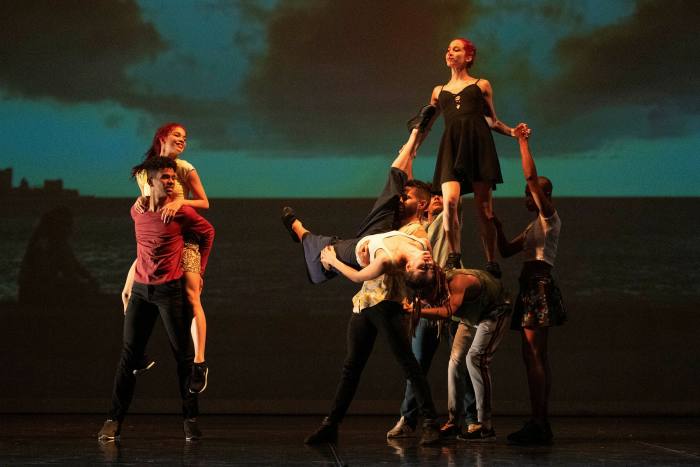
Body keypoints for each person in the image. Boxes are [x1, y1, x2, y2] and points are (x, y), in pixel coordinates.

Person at [98, 157, 214, 442]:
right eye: (165, 177)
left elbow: (208, 233)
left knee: (182, 357)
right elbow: (143, 249)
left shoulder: (180, 212)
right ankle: (113, 420)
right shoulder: (136, 210)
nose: (171, 181)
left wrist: (199, 270)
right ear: (150, 182)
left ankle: (190, 419)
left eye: (173, 177)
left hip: (169, 291)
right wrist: (129, 284)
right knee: (128, 357)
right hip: (141, 291)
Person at [421, 38, 529, 273]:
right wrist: (412, 148)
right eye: (448, 49)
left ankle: (491, 261)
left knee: (485, 210)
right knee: (449, 201)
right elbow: (426, 125)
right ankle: (453, 254)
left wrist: (513, 132)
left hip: (479, 145)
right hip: (451, 147)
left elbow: (492, 120)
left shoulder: (482, 85)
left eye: (456, 49)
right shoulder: (439, 92)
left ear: (468, 57)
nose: (450, 52)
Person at [282, 125, 433, 285]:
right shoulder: (424, 244)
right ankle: (415, 131)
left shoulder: (387, 260)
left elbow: (357, 277)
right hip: (378, 232)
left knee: (324, 251)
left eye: (423, 268)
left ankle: (298, 230)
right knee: (394, 183)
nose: (429, 264)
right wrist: (413, 145)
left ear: (409, 267)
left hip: (359, 250)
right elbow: (406, 182)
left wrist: (333, 261)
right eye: (431, 268)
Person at [123, 123, 211, 393]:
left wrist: (179, 203)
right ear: (163, 137)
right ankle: (138, 355)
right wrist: (141, 199)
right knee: (127, 293)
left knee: (191, 296)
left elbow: (204, 203)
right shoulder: (145, 170)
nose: (182, 140)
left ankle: (199, 363)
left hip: (184, 237)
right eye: (177, 136)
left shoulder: (184, 168)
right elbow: (149, 198)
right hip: (155, 242)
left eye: (185, 137)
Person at [491, 128, 566, 445]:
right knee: (534, 356)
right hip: (530, 289)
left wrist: (522, 143)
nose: (527, 196)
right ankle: (540, 420)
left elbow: (532, 177)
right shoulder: (534, 225)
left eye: (531, 192)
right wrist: (495, 226)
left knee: (534, 356)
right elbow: (508, 250)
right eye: (526, 193)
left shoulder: (549, 217)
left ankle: (539, 422)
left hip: (538, 289)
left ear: (545, 196)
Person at [386, 190, 479, 440]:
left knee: (461, 364)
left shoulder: (447, 225)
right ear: (424, 204)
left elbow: (453, 200)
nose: (440, 198)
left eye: (442, 195)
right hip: (425, 306)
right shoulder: (415, 231)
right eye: (434, 196)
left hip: (450, 304)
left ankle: (472, 420)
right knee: (416, 365)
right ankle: (408, 418)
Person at [417, 267, 511, 441]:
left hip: (493, 312)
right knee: (455, 362)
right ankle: (453, 421)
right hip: (471, 317)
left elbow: (447, 311)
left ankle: (485, 426)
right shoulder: (432, 287)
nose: (429, 304)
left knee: (475, 359)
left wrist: (417, 312)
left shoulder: (458, 282)